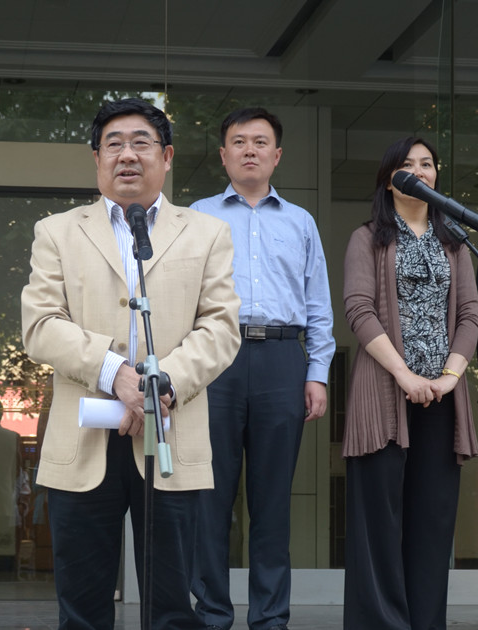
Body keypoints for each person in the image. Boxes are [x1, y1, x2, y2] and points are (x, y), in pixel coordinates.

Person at [20, 97, 241, 629]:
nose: (127, 155)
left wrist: (163, 384)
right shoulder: (57, 231)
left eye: (141, 142)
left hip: (170, 436)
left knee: (172, 611)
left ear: (167, 156)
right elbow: (41, 325)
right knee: (82, 611)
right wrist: (115, 374)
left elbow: (220, 327)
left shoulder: (206, 232)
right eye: (113, 144)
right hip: (84, 441)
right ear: (96, 158)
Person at [190, 107, 335, 630]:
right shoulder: (197, 217)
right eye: (239, 141)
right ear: (223, 154)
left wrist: (316, 372)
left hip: (281, 360)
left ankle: (271, 617)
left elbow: (318, 305)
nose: (249, 150)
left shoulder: (300, 222)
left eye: (259, 142)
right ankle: (211, 614)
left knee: (273, 502)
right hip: (215, 359)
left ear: (277, 155)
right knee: (209, 498)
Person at [342, 137, 478, 630]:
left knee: (432, 522)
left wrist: (448, 378)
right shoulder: (367, 238)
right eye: (407, 165)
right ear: (389, 179)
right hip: (384, 397)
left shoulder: (455, 241)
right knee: (380, 525)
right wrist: (404, 374)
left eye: (427, 164)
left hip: (441, 399)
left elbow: (470, 314)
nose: (419, 171)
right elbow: (359, 309)